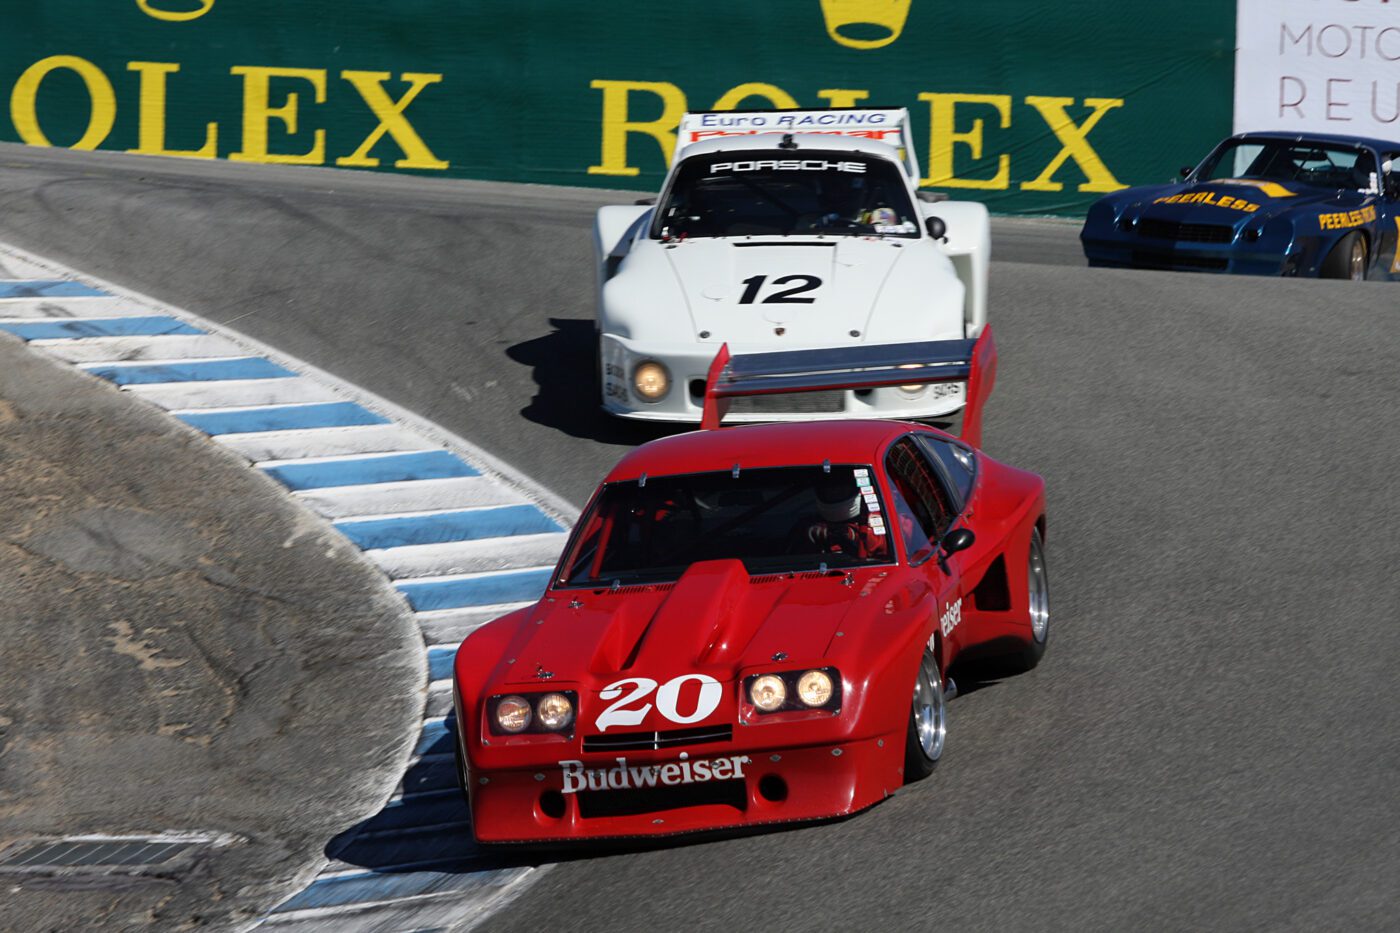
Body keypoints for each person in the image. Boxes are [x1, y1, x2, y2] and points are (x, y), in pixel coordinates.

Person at [793, 479, 889, 560]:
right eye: (828, 486)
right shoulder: (808, 525)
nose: (834, 491)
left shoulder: (881, 517)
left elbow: (885, 544)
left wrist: (850, 534)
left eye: (841, 486)